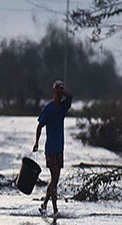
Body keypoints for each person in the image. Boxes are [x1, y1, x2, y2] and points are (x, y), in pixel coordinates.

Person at [32, 80, 73, 218]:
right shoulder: (48, 108)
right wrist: (36, 142)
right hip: (50, 148)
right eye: (57, 91)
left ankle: (44, 205)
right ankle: (55, 210)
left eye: (61, 92)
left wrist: (63, 91)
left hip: (60, 148)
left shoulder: (63, 107)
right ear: (53, 92)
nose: (60, 94)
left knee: (55, 178)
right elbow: (39, 126)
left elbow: (71, 96)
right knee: (54, 176)